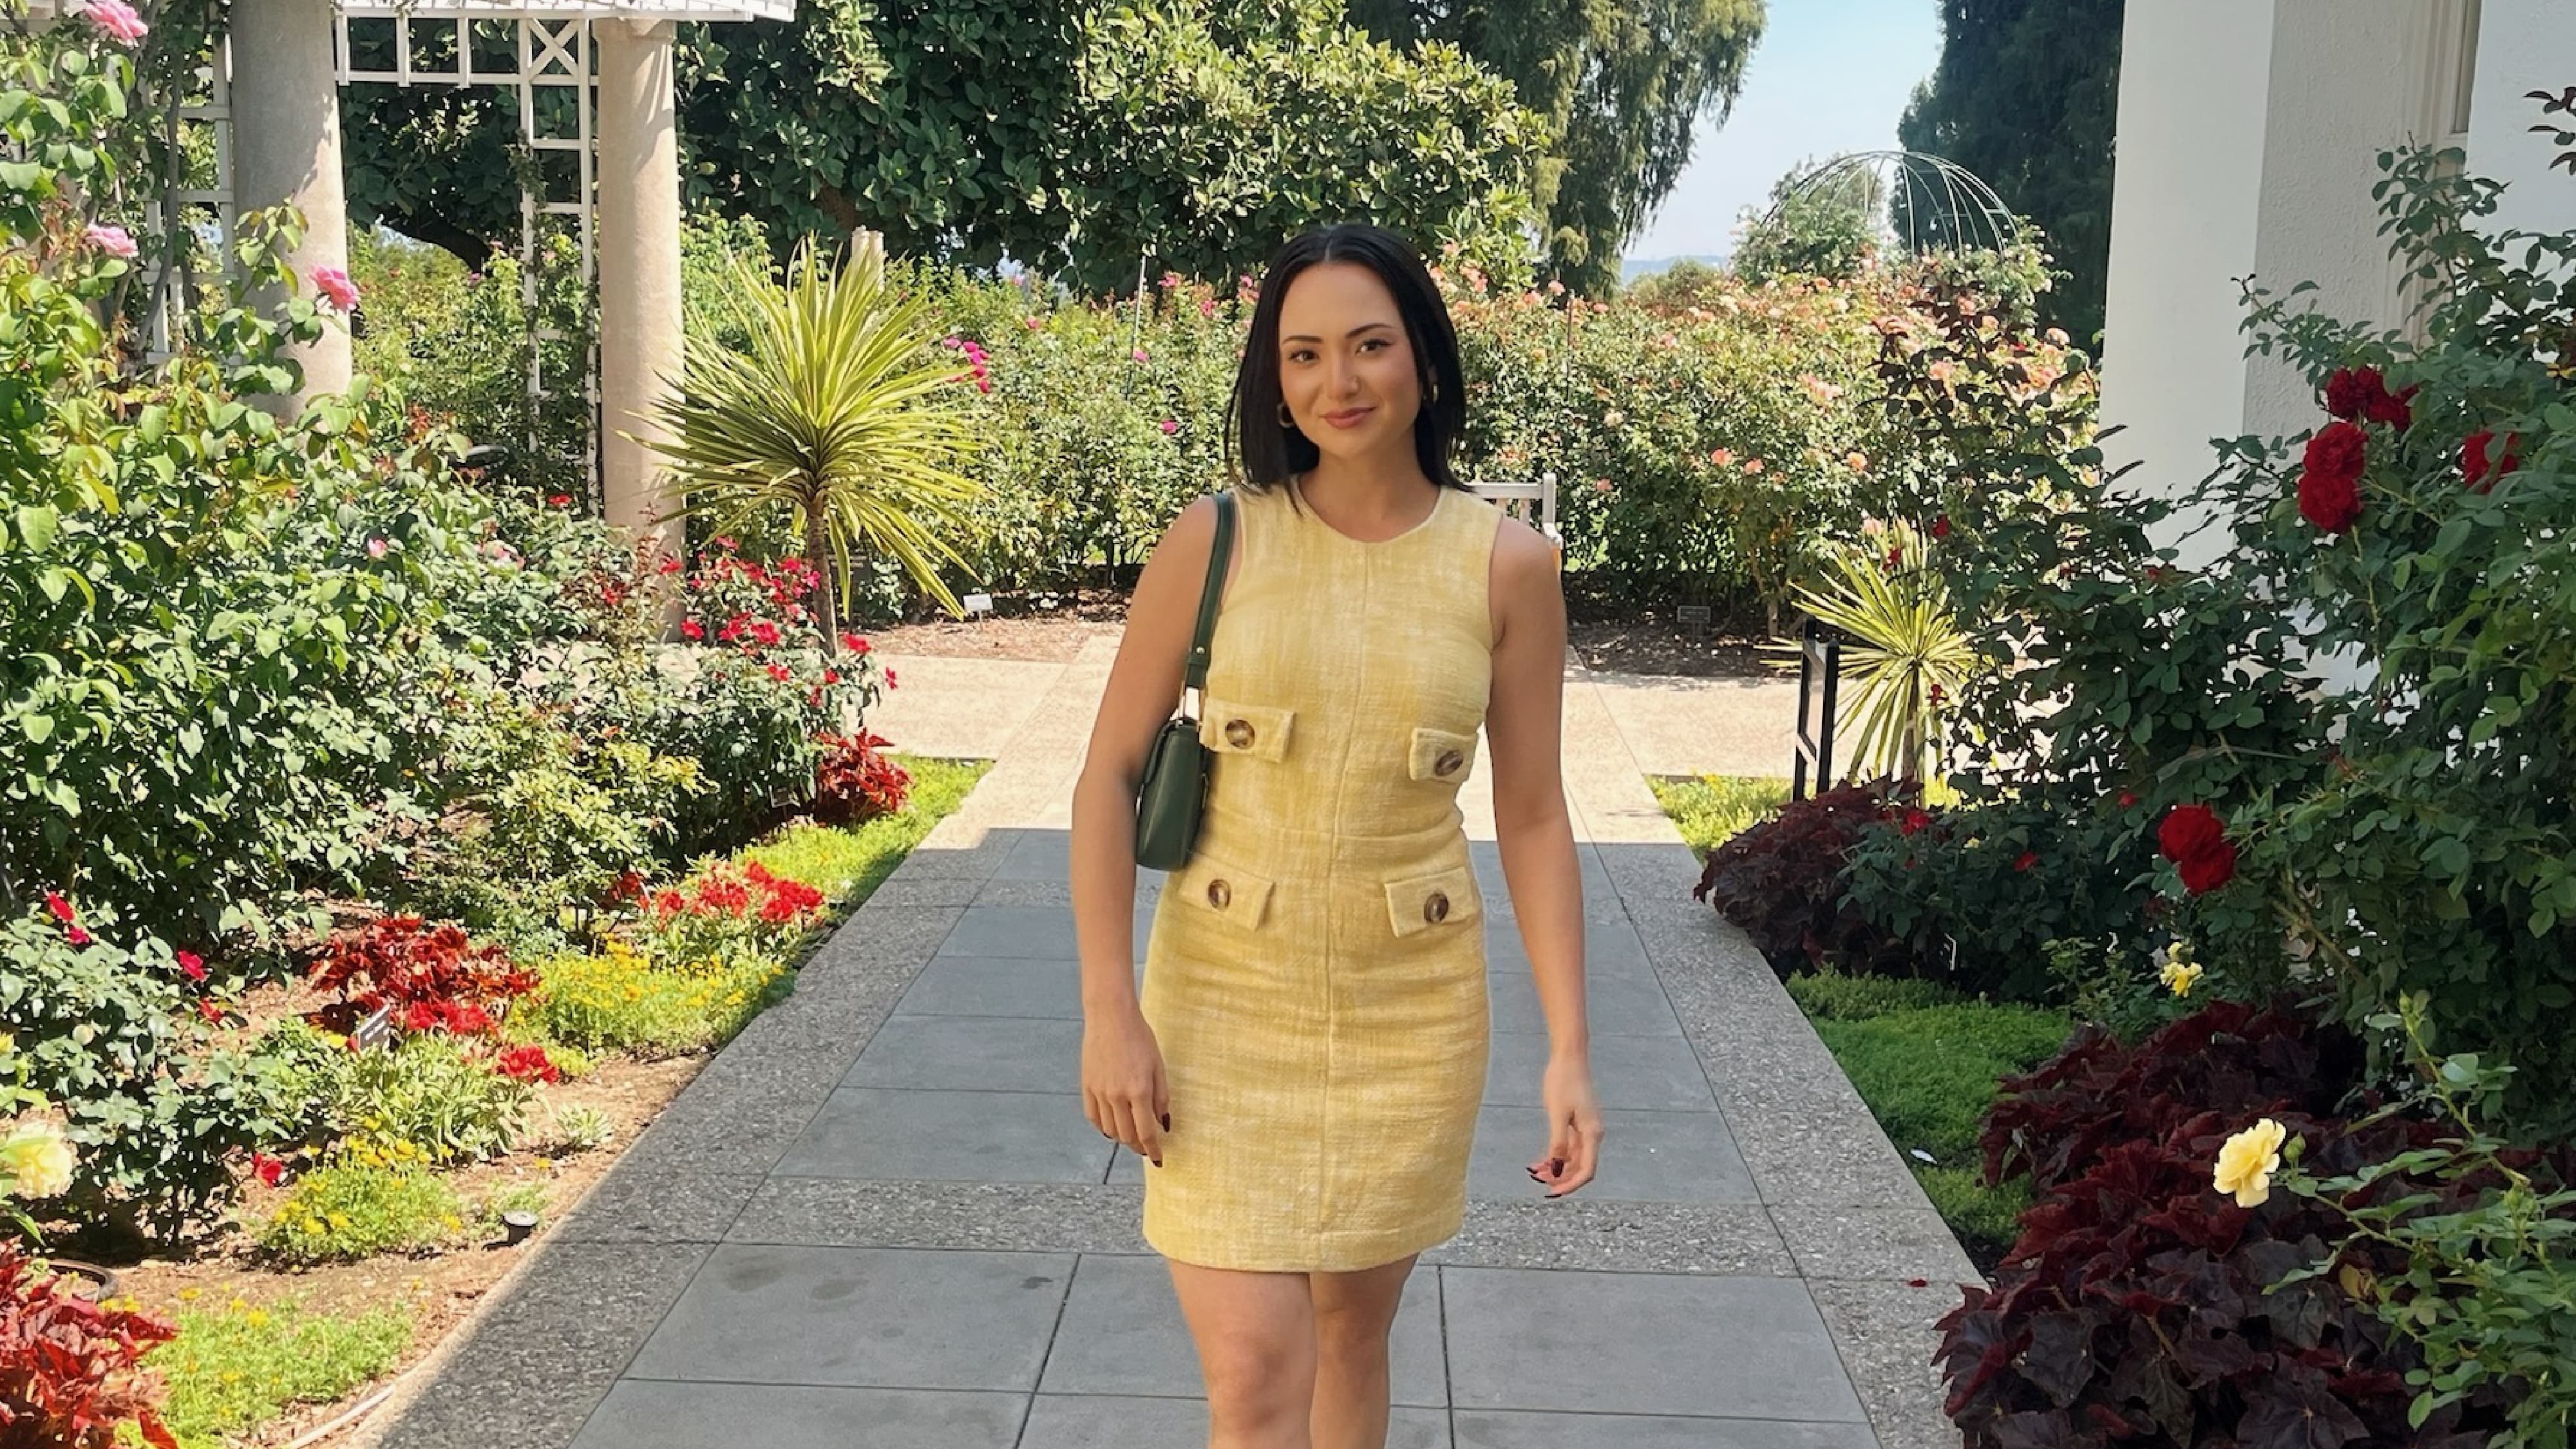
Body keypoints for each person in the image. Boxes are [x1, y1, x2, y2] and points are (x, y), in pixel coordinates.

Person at [1070, 223, 1602, 1449]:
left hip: (1409, 1009)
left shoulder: (1509, 566)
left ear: (1425, 359)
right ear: (1274, 379)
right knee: (1256, 1375)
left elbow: (1532, 810)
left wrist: (1569, 1048)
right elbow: (1106, 776)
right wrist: (1110, 1009)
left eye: (1369, 345)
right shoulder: (1216, 539)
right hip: (1218, 1001)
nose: (1338, 381)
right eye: (1303, 354)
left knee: (1352, 1340)